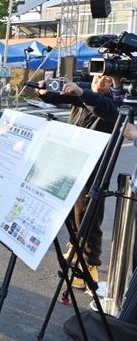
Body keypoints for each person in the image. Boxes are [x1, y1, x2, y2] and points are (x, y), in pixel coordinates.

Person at [36, 74, 118, 289]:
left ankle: (90, 265)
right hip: (72, 160)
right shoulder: (83, 88)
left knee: (88, 216)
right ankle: (75, 247)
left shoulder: (116, 101)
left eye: (108, 79)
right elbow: (57, 96)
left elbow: (101, 106)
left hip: (95, 168)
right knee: (70, 210)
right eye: (99, 76)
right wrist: (43, 91)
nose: (101, 82)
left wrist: (81, 93)